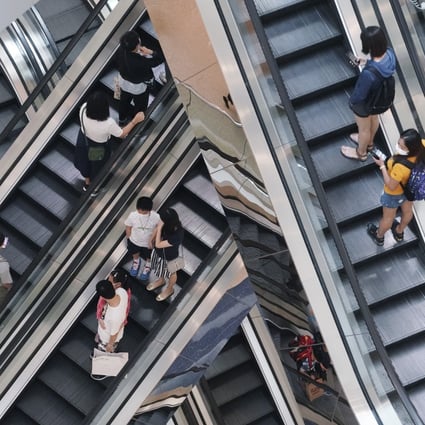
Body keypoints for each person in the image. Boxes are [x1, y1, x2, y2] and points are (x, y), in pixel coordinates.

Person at [341, 26, 396, 161]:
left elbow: (360, 95)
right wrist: (366, 62)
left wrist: (352, 103)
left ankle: (361, 153)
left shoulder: (368, 74)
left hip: (365, 103)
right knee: (374, 118)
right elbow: (381, 66)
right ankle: (370, 144)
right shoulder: (390, 54)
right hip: (380, 99)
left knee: (363, 128)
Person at [73, 91, 145, 194]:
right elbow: (122, 134)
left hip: (83, 139)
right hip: (97, 146)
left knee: (84, 161)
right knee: (96, 167)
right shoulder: (108, 123)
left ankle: (87, 182)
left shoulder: (84, 108)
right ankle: (93, 187)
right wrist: (135, 120)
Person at [367, 129, 425, 245]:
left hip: (394, 194)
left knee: (388, 218)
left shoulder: (400, 167)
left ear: (411, 148)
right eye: (399, 142)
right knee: (407, 211)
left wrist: (382, 166)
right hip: (409, 191)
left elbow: (391, 185)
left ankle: (379, 236)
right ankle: (399, 232)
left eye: (402, 146)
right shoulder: (422, 145)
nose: (398, 146)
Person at [116, 30, 164, 125]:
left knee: (124, 100)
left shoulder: (121, 50)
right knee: (140, 106)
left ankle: (122, 119)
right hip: (138, 88)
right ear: (137, 45)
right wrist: (151, 52)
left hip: (123, 82)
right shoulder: (139, 62)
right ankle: (138, 124)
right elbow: (159, 59)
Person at [147, 208, 184, 302]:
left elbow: (159, 245)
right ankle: (161, 280)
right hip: (158, 253)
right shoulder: (166, 224)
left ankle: (169, 289)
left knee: (172, 273)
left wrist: (159, 229)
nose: (160, 220)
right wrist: (151, 239)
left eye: (162, 219)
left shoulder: (177, 234)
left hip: (170, 257)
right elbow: (156, 228)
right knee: (159, 268)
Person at [124, 196, 160, 279]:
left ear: (149, 210)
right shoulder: (133, 215)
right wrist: (129, 237)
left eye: (144, 211)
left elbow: (159, 228)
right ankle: (136, 261)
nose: (141, 212)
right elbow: (128, 226)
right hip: (134, 241)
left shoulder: (155, 217)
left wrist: (154, 240)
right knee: (134, 252)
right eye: (140, 210)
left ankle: (148, 265)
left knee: (149, 255)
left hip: (148, 243)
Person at [95, 279, 128, 353]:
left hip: (106, 339)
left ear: (102, 297)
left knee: (102, 351)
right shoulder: (122, 292)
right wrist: (101, 318)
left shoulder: (115, 317)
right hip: (105, 330)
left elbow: (114, 334)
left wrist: (109, 345)